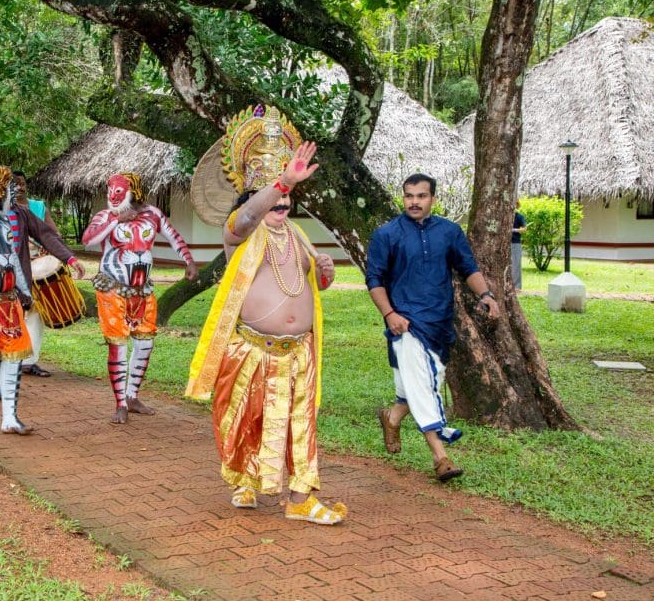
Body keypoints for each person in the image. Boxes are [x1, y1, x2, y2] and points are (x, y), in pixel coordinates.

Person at [187, 105, 345, 525]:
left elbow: (305, 288)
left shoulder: (297, 236)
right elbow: (249, 216)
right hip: (251, 350)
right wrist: (281, 181)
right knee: (245, 422)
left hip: (299, 355)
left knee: (301, 428)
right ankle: (244, 479)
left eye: (288, 199)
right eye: (277, 199)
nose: (283, 204)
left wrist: (323, 272)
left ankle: (299, 499)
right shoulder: (238, 232)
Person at [367, 173, 501, 483]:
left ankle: (393, 416)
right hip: (406, 323)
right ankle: (441, 456)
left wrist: (486, 296)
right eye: (409, 195)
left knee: (418, 385)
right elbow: (374, 280)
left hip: (440, 323)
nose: (414, 201)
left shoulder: (450, 232)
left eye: (421, 196)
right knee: (425, 388)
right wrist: (389, 314)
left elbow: (468, 267)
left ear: (433, 199)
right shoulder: (386, 234)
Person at [0, 165, 84, 438]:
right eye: (11, 188)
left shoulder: (8, 217)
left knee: (13, 359)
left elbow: (14, 260)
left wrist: (26, 291)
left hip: (8, 301)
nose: (15, 192)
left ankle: (10, 418)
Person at [83, 172, 197, 424]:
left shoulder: (152, 214)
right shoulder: (105, 216)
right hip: (113, 289)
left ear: (134, 192)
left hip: (143, 290)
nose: (112, 197)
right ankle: (120, 404)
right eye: (110, 191)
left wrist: (188, 260)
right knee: (119, 346)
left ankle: (132, 396)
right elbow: (88, 240)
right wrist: (115, 219)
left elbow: (173, 235)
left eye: (118, 192)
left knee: (145, 345)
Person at [13, 170, 60, 378]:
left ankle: (30, 361)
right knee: (13, 313)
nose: (19, 187)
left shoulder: (39, 207)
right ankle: (11, 358)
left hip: (36, 265)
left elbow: (53, 233)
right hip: (13, 266)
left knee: (36, 313)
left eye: (22, 183)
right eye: (15, 184)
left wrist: (48, 248)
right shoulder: (3, 209)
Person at [512, 202, 527, 290]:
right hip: (503, 244)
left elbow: (524, 229)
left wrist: (513, 230)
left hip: (515, 243)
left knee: (516, 264)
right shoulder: (503, 216)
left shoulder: (519, 217)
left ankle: (516, 287)